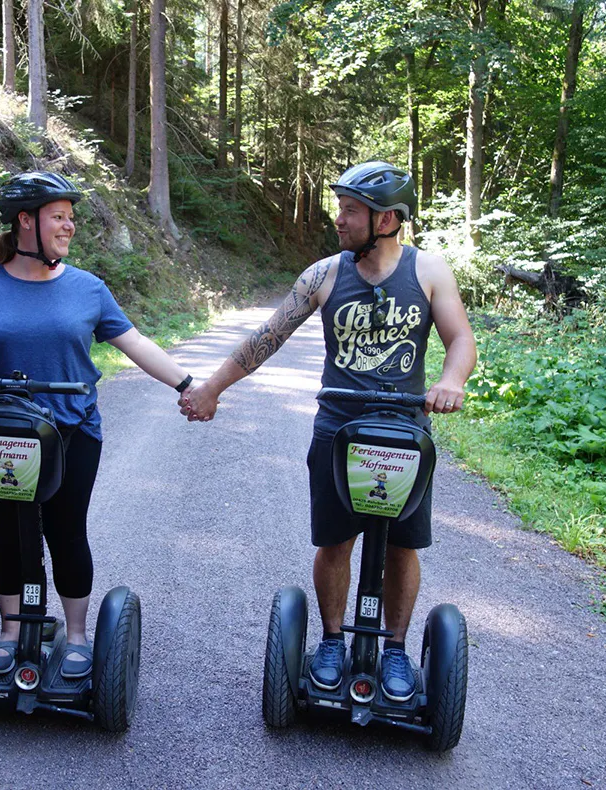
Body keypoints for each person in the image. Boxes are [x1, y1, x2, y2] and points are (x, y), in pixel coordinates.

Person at [180, 161, 476, 701]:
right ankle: (334, 640)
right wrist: (211, 388)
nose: (339, 219)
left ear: (386, 219)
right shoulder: (324, 275)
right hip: (339, 427)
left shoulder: (429, 271)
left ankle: (394, 648)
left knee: (403, 547)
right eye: (340, 207)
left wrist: (451, 380)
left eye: (351, 211)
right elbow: (266, 338)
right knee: (335, 541)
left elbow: (461, 340)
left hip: (405, 431)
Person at [0, 171, 195, 679]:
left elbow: (135, 344)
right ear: (25, 221)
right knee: (8, 532)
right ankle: (12, 630)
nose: (69, 226)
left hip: (72, 432)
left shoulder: (87, 288)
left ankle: (75, 635)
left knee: (66, 533)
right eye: (59, 216)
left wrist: (186, 385)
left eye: (71, 217)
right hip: (4, 433)